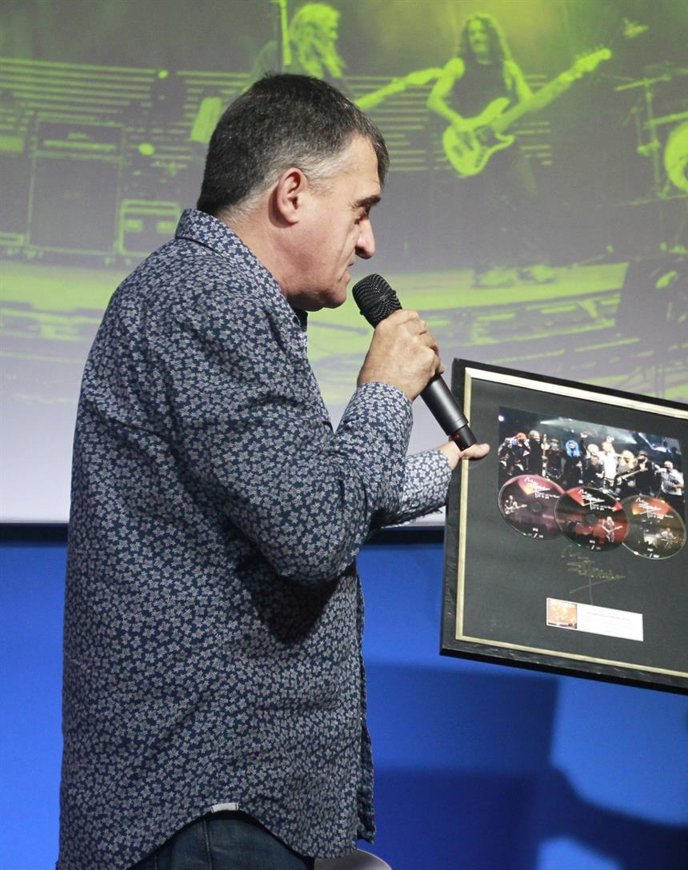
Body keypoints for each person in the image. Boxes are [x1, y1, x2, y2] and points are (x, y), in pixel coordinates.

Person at [58, 74, 487, 869]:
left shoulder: (222, 298)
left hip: (233, 800)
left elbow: (311, 493)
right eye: (361, 210)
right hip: (207, 801)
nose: (368, 245)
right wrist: (384, 390)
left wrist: (462, 472)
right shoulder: (206, 301)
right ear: (292, 194)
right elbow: (318, 532)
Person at [427, 12, 553, 289]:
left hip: (506, 143)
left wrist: (554, 90)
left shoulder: (508, 67)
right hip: (473, 145)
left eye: (482, 34)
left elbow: (529, 102)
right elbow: (434, 100)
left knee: (527, 195)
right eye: (472, 35)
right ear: (466, 40)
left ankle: (531, 263)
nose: (477, 39)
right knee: (486, 207)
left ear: (493, 37)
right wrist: (459, 121)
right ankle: (487, 269)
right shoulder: (458, 65)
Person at [248, 2, 435, 111]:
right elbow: (251, 95)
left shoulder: (327, 67)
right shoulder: (278, 52)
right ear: (311, 30)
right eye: (330, 29)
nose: (334, 36)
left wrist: (395, 89)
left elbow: (349, 109)